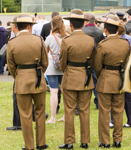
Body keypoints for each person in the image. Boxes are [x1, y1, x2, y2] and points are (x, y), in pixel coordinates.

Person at [7, 13, 49, 150]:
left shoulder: (12, 43)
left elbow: (11, 66)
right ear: (30, 26)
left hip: (22, 81)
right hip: (38, 79)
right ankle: (41, 143)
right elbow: (45, 62)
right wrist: (38, 73)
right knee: (40, 111)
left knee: (25, 114)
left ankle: (29, 145)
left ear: (17, 27)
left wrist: (20, 76)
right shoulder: (39, 40)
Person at [59, 9, 95, 149]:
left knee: (69, 110)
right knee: (85, 110)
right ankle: (84, 141)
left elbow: (63, 63)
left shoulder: (67, 41)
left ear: (71, 25)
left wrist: (69, 71)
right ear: (84, 24)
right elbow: (92, 61)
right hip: (86, 77)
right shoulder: (90, 39)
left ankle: (69, 142)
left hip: (71, 78)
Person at [94, 14, 130, 148]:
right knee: (118, 111)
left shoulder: (102, 45)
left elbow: (97, 67)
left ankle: (105, 141)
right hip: (120, 80)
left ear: (105, 30)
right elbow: (127, 64)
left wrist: (102, 76)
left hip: (105, 79)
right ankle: (117, 140)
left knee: (104, 111)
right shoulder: (125, 44)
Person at [45, 15, 66, 124]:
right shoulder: (66, 37)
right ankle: (65, 116)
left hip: (52, 65)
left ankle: (53, 118)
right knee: (64, 90)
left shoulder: (50, 37)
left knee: (54, 91)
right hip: (63, 66)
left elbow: (44, 49)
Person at [83, 12, 103, 109]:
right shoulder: (100, 31)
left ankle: (83, 103)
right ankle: (98, 103)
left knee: (84, 81)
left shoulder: (82, 30)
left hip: (84, 60)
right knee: (96, 82)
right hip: (96, 60)